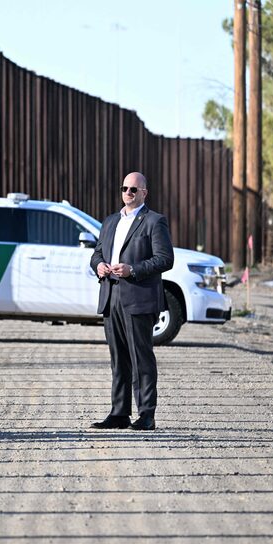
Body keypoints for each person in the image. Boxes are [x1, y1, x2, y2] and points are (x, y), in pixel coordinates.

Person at [90, 172, 174, 431]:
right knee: (119, 359)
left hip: (138, 298)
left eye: (134, 189)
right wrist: (99, 266)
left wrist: (133, 270)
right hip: (111, 295)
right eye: (125, 188)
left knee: (141, 359)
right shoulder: (110, 221)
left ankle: (146, 415)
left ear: (144, 193)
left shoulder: (154, 221)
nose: (128, 193)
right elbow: (96, 254)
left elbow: (165, 259)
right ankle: (119, 414)